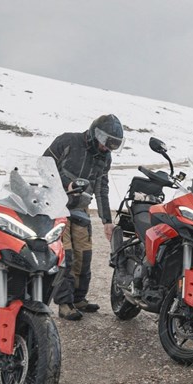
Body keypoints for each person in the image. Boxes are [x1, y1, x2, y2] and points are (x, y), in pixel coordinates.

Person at [43, 114, 124, 321]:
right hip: (56, 206)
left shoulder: (105, 156)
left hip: (80, 208)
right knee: (66, 256)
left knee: (84, 254)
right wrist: (66, 184)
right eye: (105, 142)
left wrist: (107, 221)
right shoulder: (67, 141)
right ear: (95, 133)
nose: (106, 148)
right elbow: (43, 165)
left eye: (112, 145)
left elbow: (101, 188)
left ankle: (79, 299)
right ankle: (65, 303)